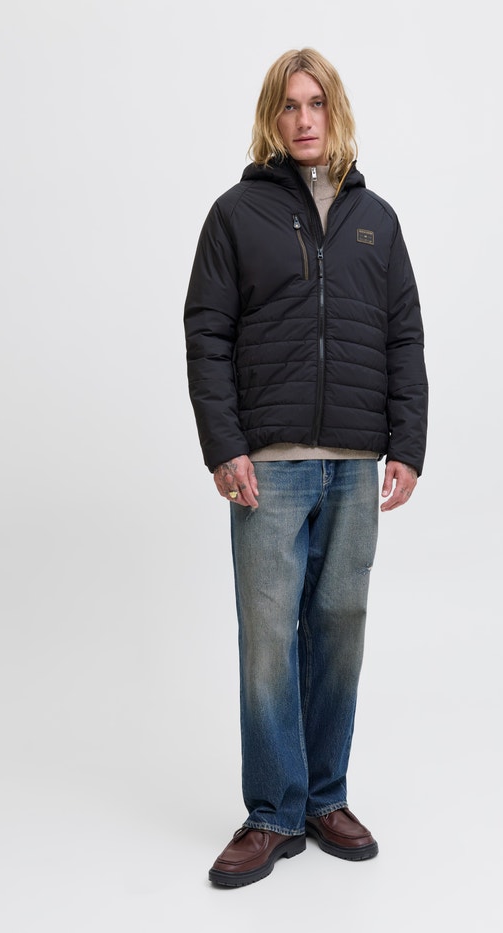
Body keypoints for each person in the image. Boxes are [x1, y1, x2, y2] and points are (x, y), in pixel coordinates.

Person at [183, 47, 428, 887]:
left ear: (336, 111)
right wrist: (225, 445)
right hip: (270, 466)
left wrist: (407, 443)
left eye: (316, 102)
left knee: (339, 630)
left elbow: (404, 334)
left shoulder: (376, 221)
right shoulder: (236, 215)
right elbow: (207, 332)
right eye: (289, 105)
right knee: (267, 640)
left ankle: (324, 797)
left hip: (355, 463)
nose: (304, 118)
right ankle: (272, 811)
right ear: (271, 117)